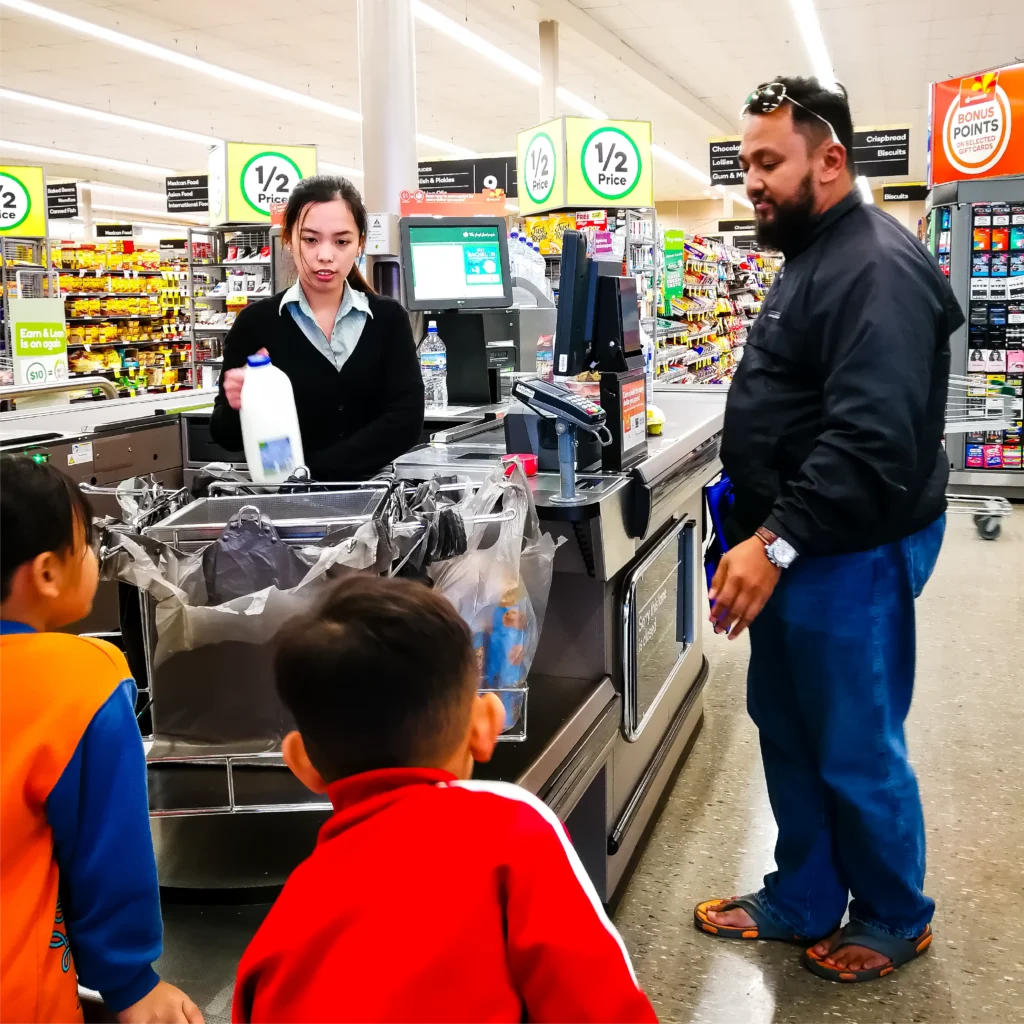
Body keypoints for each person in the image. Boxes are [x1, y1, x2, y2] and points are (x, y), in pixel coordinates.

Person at [693, 77, 963, 983]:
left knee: (853, 740)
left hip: (848, 548)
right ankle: (804, 894)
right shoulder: (817, 251)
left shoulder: (875, 266)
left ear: (832, 160)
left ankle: (894, 913)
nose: (751, 184)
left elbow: (871, 439)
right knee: (788, 724)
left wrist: (773, 545)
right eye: (745, 166)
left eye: (769, 163)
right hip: (801, 543)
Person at [232, 575, 657, 1024]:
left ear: (301, 763)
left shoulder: (278, 931)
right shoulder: (513, 828)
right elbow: (601, 1008)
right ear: (484, 724)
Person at [0, 456, 204, 1024]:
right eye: (87, 544)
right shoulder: (81, 679)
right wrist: (130, 982)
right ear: (46, 573)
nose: (96, 556)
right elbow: (109, 851)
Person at [210, 175, 424, 479]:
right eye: (310, 239)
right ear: (289, 238)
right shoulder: (257, 323)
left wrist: (311, 473)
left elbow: (405, 421)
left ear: (360, 243)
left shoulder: (388, 320)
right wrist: (236, 405)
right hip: (288, 505)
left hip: (374, 502)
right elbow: (225, 436)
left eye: (342, 241)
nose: (325, 255)